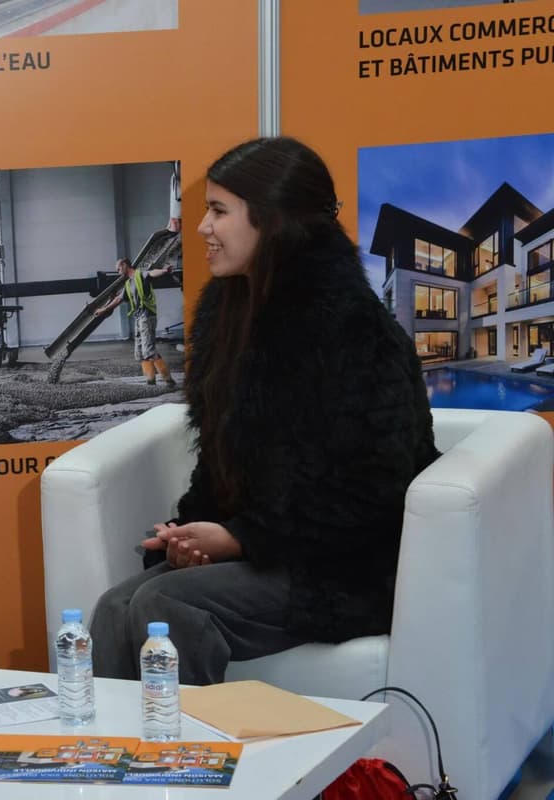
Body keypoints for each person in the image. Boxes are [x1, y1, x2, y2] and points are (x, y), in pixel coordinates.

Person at [89, 137, 439, 684]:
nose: (202, 227)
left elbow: (373, 493)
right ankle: (119, 743)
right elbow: (223, 461)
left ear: (273, 220)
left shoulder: (353, 331)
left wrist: (240, 539)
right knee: (114, 609)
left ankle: (189, 744)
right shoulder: (230, 314)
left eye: (218, 210)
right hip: (266, 549)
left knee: (167, 605)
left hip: (346, 567)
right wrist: (189, 534)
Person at [95, 257, 177, 388]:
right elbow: (118, 299)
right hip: (138, 318)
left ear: (125, 265)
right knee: (140, 353)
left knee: (149, 350)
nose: (118, 272)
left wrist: (164, 271)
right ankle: (150, 381)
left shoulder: (140, 275)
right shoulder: (128, 283)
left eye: (118, 269)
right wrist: (104, 309)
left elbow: (152, 273)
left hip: (147, 316)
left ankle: (168, 380)